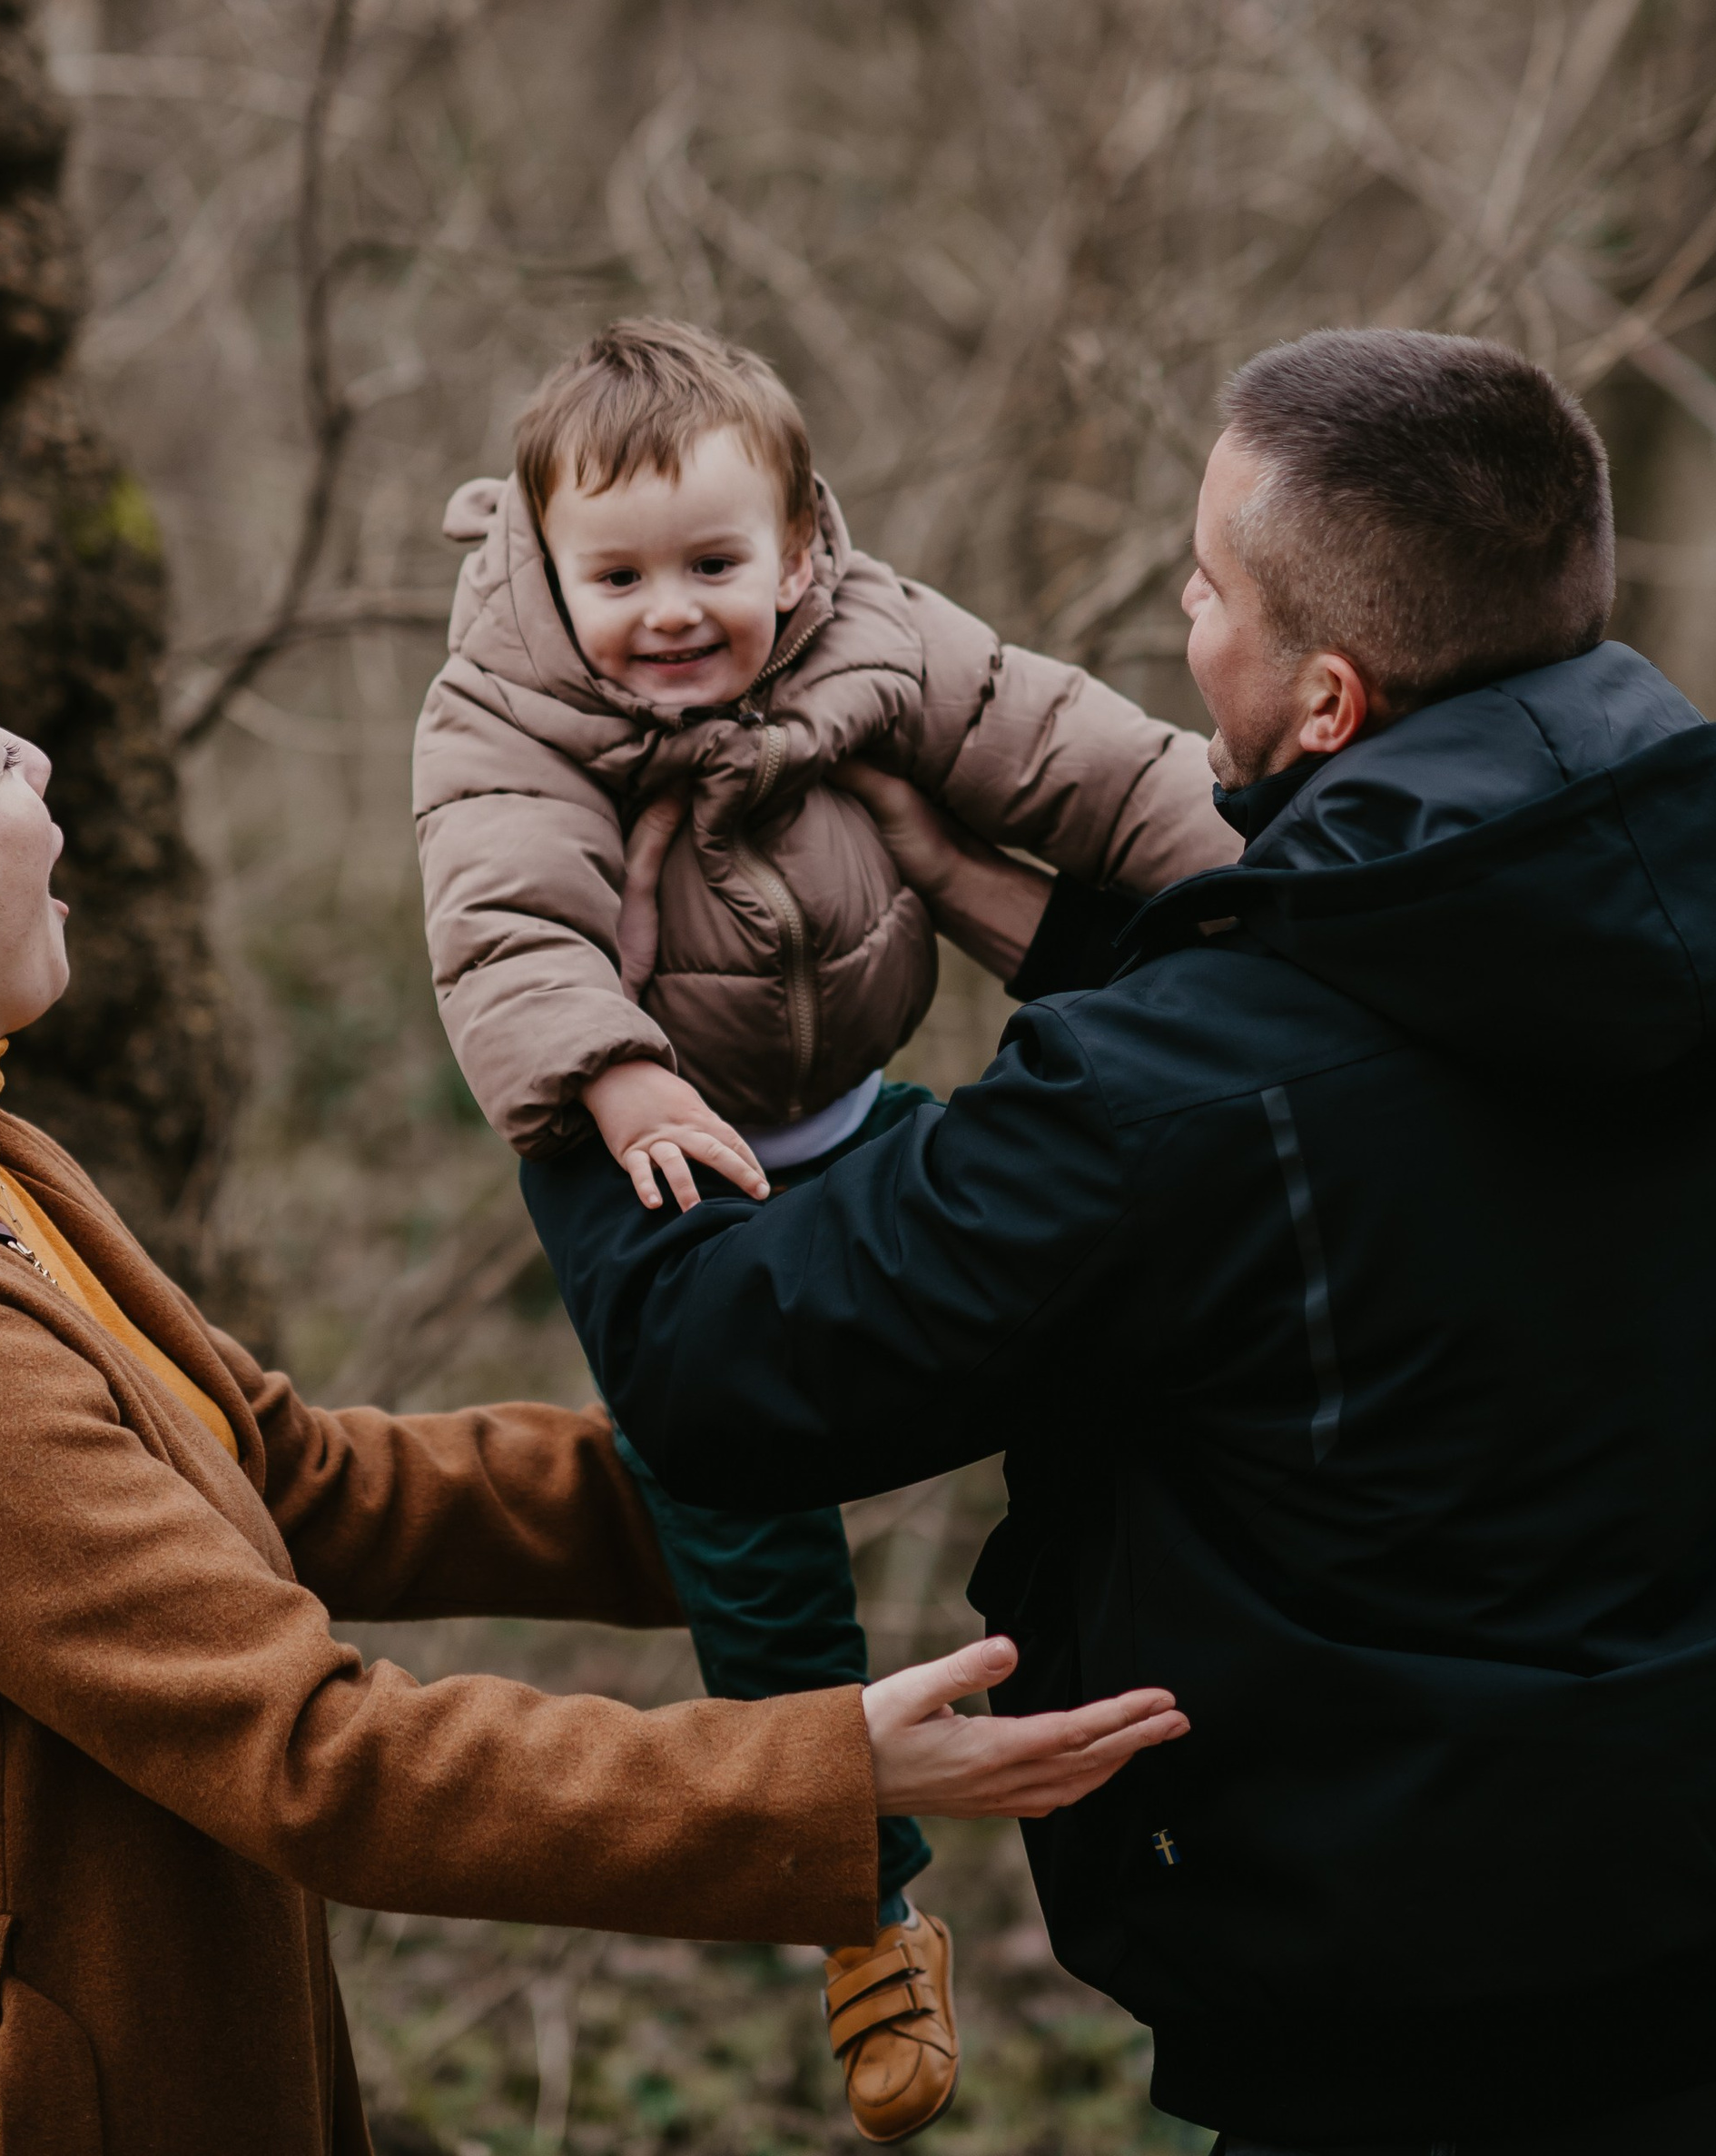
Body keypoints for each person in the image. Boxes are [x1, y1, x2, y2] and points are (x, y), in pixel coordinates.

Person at [0, 608, 1190, 2156]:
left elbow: (292, 1477)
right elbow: (317, 1755)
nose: (39, 763)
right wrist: (820, 1775)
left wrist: (777, 1413)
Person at [532, 327, 1716, 2155]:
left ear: (1325, 701)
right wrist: (970, 877)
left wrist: (573, 1046)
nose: (1179, 614)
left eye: (1208, 585)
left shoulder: (1185, 1098)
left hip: (1398, 2072)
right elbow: (1361, 1082)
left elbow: (725, 1368)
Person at [414, 315, 1231, 2139]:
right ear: (548, 567)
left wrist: (1282, 867)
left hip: (855, 1113)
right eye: (617, 575)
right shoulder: (506, 709)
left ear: (798, 549)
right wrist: (616, 1076)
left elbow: (1088, 759)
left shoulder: (881, 635)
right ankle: (859, 1906)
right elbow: (504, 924)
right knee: (746, 1504)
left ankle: (1141, 1648)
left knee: (1102, 1284)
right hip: (649, 1160)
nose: (668, 613)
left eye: (712, 564)